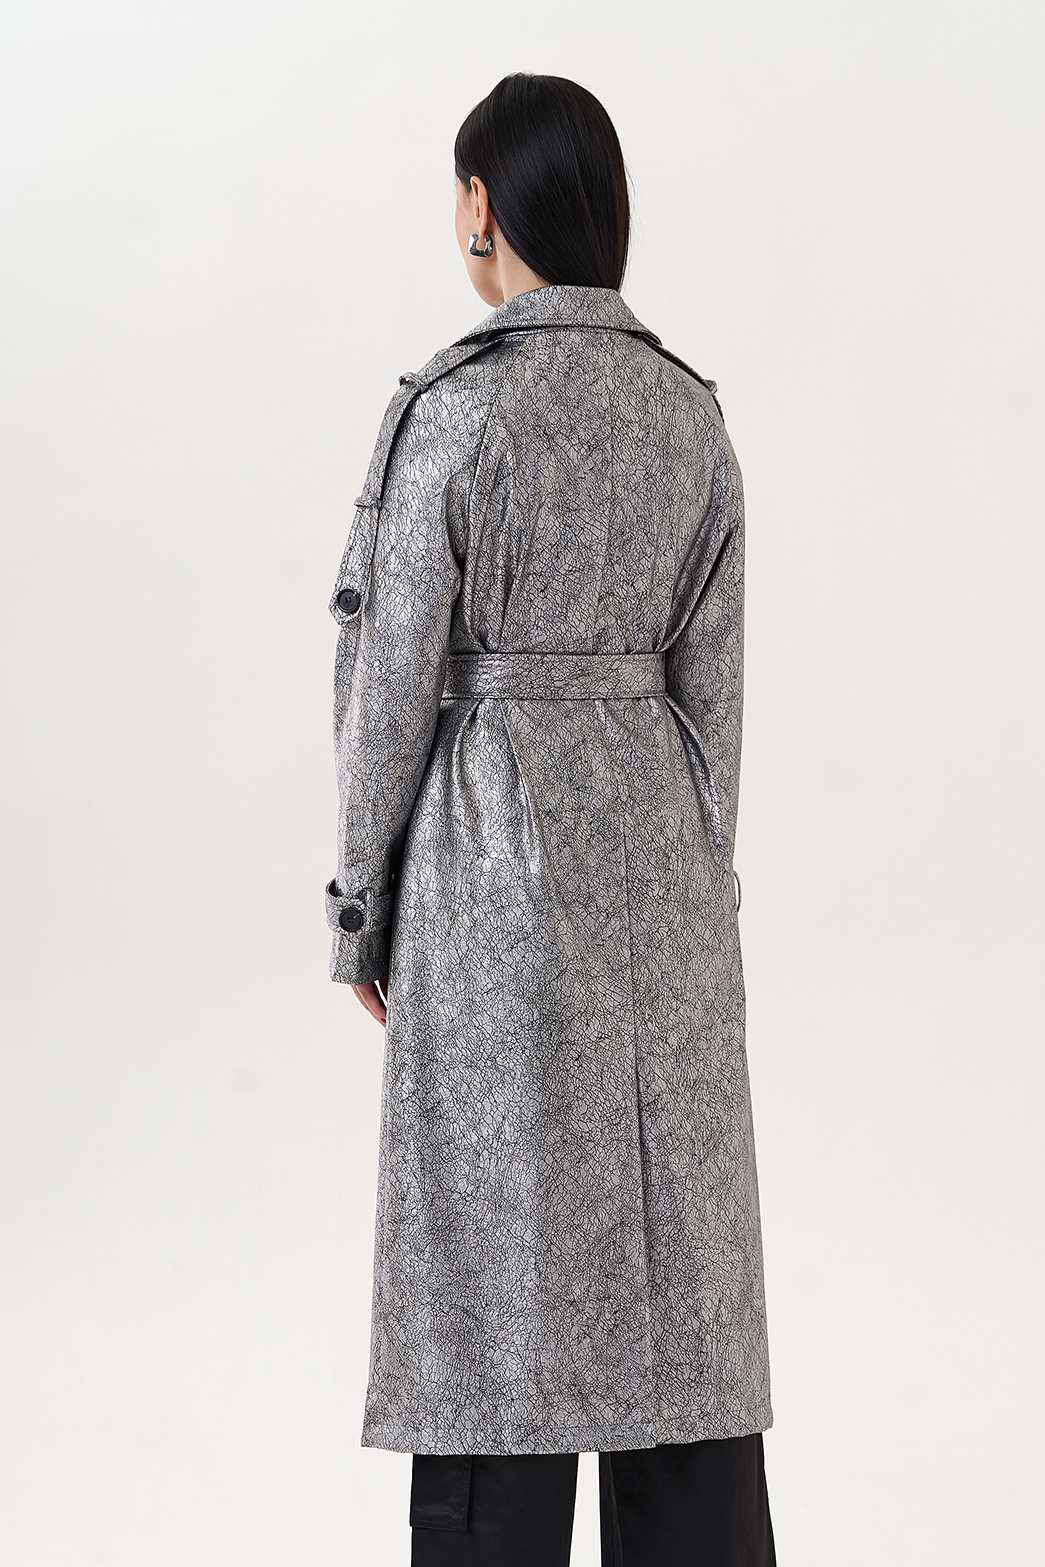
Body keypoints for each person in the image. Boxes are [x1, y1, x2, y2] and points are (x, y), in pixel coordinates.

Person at [324, 72, 776, 1566]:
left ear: (481, 204)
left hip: (487, 874)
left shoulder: (452, 413)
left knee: (491, 1290)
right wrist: (691, 884)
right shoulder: (690, 416)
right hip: (664, 885)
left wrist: (362, 909)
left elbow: (390, 682)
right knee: (676, 1291)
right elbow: (714, 708)